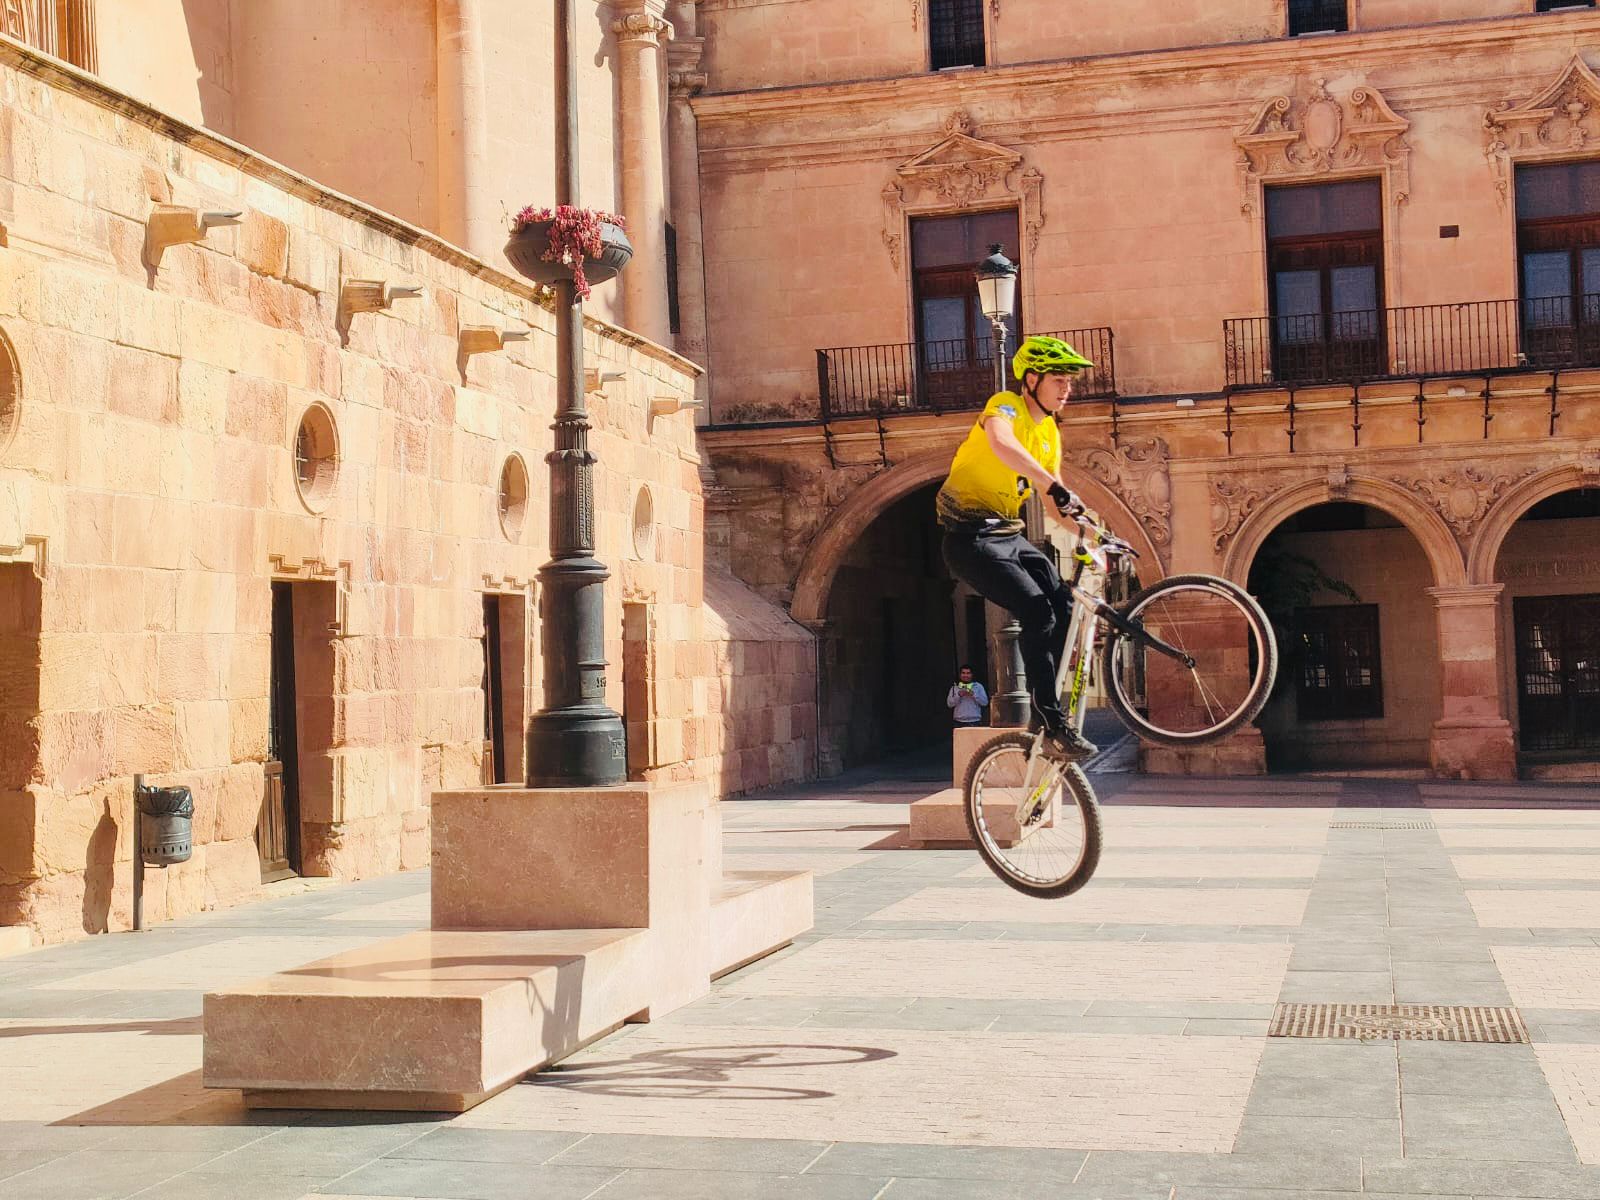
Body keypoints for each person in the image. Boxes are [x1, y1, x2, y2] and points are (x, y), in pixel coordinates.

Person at [935, 334, 1098, 761]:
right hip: (970, 538)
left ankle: (1046, 715)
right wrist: (1052, 484)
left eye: (1070, 382)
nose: (1067, 389)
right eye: (1059, 380)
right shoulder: (1004, 406)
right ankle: (1050, 717)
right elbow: (1003, 445)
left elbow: (1056, 504)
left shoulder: (1050, 434)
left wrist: (1095, 531)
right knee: (1035, 609)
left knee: (1062, 606)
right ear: (1032, 379)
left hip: (1009, 535)